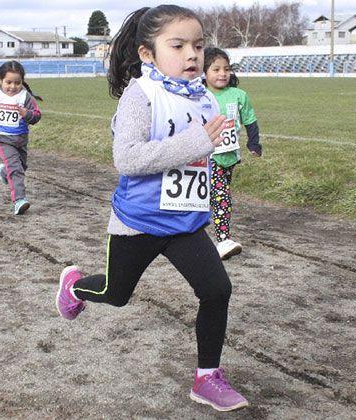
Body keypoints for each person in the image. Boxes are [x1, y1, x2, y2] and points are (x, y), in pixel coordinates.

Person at [54, 5, 248, 412]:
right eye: (177, 46)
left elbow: (204, 160)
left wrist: (215, 173)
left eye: (197, 45)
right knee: (116, 292)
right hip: (138, 222)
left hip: (185, 225)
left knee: (217, 290)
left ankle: (207, 377)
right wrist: (196, 143)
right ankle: (73, 285)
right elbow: (127, 158)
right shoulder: (140, 95)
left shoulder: (207, 101)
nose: (192, 55)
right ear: (148, 53)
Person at [203, 47, 262, 260]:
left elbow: (250, 120)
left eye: (226, 69)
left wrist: (254, 144)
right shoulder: (200, 95)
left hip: (229, 156)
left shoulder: (239, 96)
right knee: (221, 197)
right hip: (206, 156)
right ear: (204, 72)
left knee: (215, 195)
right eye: (216, 69)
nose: (222, 74)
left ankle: (199, 233)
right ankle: (223, 239)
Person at [0, 61, 42, 215]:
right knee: (16, 170)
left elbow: (37, 115)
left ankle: (5, 171)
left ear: (22, 82)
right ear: (0, 80)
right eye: (8, 82)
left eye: (17, 83)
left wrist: (27, 114)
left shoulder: (26, 97)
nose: (12, 87)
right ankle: (19, 200)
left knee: (21, 167)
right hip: (3, 139)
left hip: (21, 139)